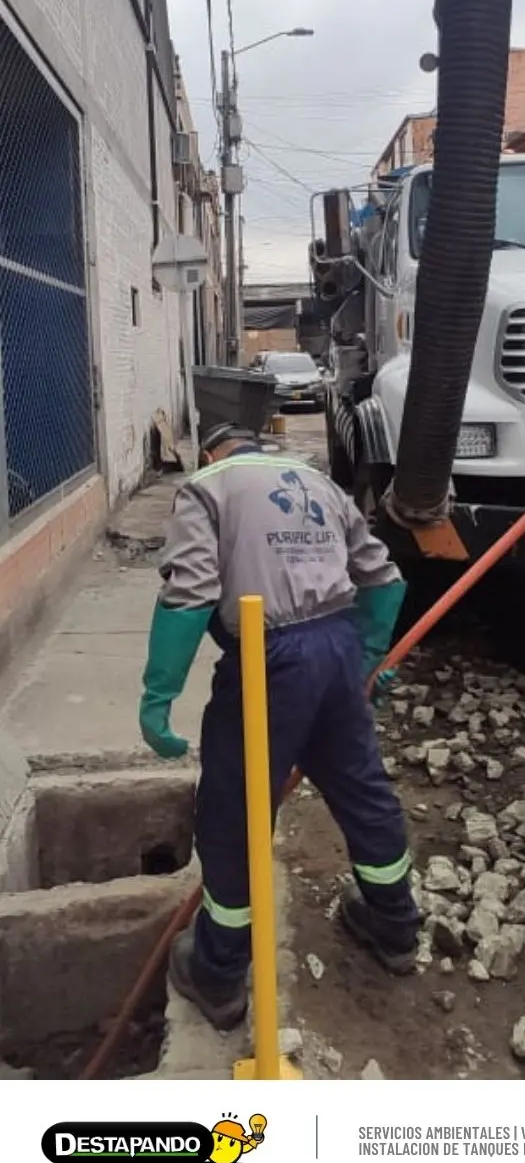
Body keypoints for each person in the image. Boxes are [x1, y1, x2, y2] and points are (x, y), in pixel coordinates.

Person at [138, 421, 421, 1031]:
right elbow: (382, 575)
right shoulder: (318, 481)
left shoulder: (207, 486)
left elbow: (190, 590)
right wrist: (368, 656)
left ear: (213, 452)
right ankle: (396, 925)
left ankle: (217, 975)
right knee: (361, 787)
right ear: (258, 450)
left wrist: (157, 697)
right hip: (337, 646)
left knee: (234, 812)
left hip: (270, 661)